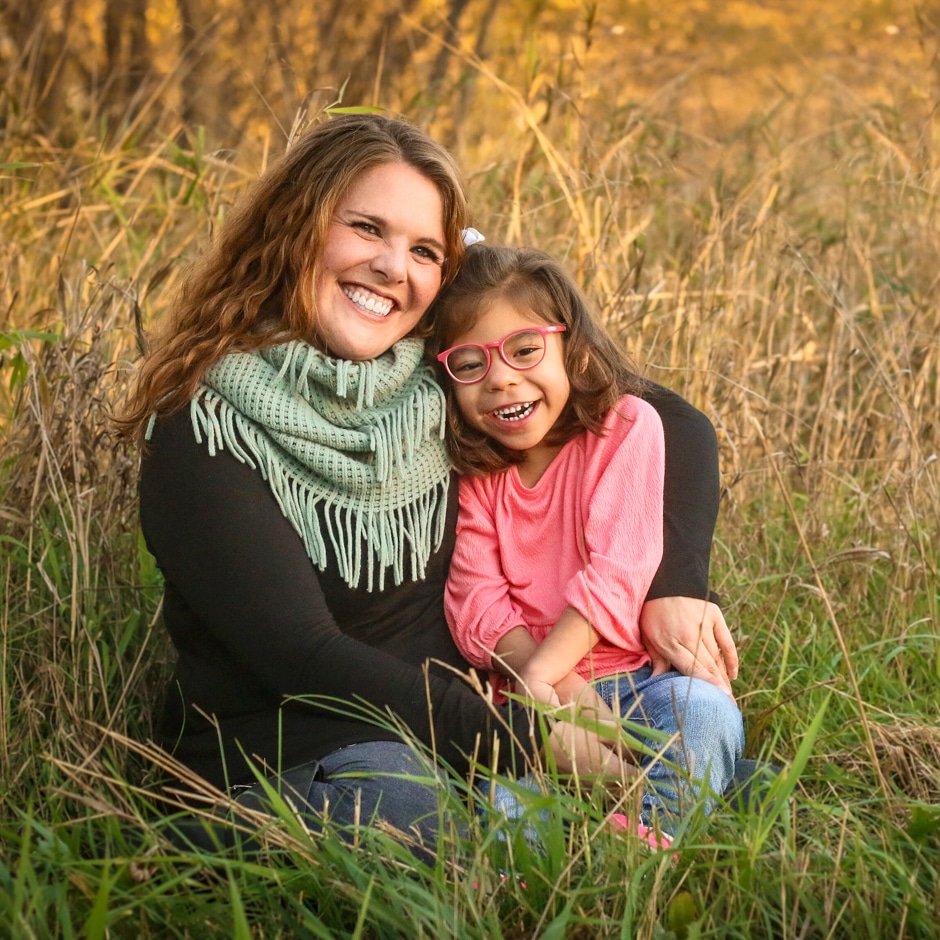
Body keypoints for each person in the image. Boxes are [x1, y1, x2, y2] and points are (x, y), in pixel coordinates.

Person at [115, 113, 739, 859]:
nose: (392, 266)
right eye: (366, 229)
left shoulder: (433, 380)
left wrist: (675, 579)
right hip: (298, 746)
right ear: (294, 227)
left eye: (423, 251)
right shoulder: (206, 428)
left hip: (455, 733)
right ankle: (201, 842)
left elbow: (661, 415)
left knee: (696, 740)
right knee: (426, 822)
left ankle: (621, 842)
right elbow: (302, 657)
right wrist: (530, 738)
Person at [427, 245, 745, 834]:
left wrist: (550, 676)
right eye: (470, 364)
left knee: (705, 716)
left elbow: (619, 571)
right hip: (525, 699)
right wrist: (553, 690)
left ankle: (648, 836)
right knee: (505, 804)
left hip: (640, 682)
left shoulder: (625, 427)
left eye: (524, 350)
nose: (501, 379)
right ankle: (528, 885)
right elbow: (478, 603)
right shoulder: (474, 474)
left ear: (570, 345)